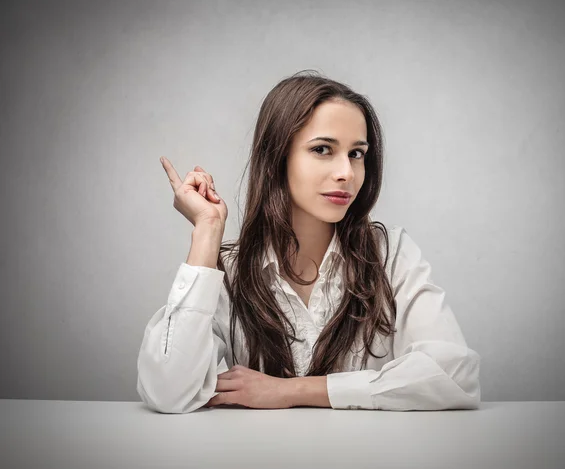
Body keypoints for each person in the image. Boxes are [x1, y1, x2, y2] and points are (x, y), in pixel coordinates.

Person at [136, 70, 481, 414]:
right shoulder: (231, 270)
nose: (346, 172)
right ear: (277, 159)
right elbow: (169, 391)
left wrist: (292, 391)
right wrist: (207, 232)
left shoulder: (390, 253)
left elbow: (454, 376)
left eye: (357, 154)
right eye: (322, 149)